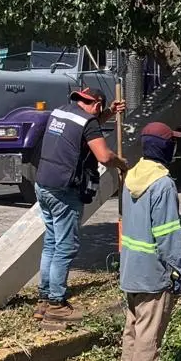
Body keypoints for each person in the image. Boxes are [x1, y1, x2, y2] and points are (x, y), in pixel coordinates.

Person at [34, 85, 126, 326]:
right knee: (65, 246)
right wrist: (121, 163)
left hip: (43, 185)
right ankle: (56, 304)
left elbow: (82, 128)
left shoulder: (61, 112)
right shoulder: (89, 122)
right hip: (65, 190)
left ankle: (43, 299)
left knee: (51, 242)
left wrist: (108, 114)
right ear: (96, 105)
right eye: (99, 109)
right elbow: (104, 156)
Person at [117, 122, 181, 361]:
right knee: (149, 330)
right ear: (164, 148)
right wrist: (179, 268)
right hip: (153, 271)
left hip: (131, 267)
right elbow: (168, 232)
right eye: (172, 142)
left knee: (133, 327)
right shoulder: (162, 184)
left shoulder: (132, 177)